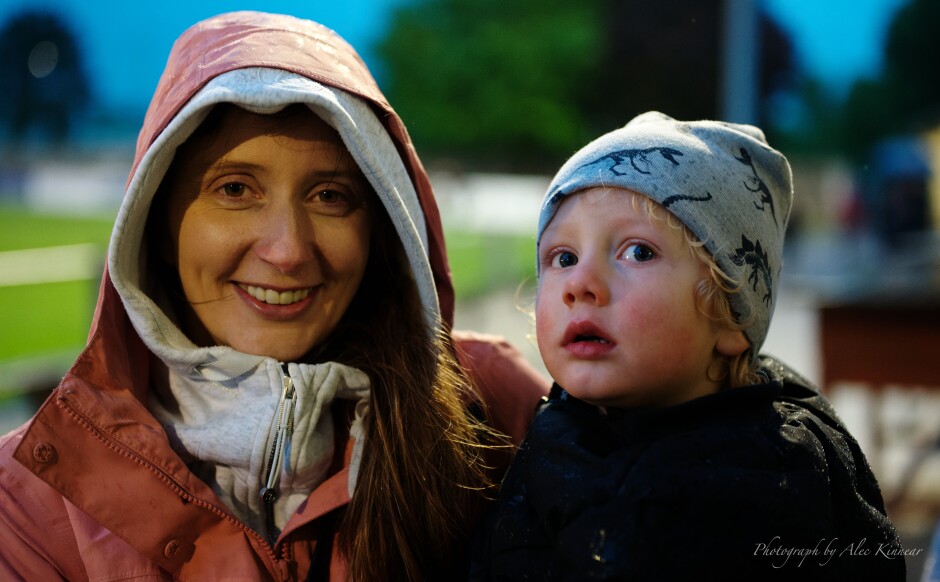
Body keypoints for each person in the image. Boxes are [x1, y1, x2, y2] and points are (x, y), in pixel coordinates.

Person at [0, 11, 550, 581]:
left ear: (380, 227)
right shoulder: (27, 502)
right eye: (235, 189)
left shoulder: (488, 405)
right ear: (156, 223)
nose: (288, 250)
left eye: (331, 195)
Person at [473, 112, 907, 580]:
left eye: (638, 252)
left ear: (731, 318)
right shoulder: (552, 429)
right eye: (563, 257)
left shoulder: (780, 478)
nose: (580, 284)